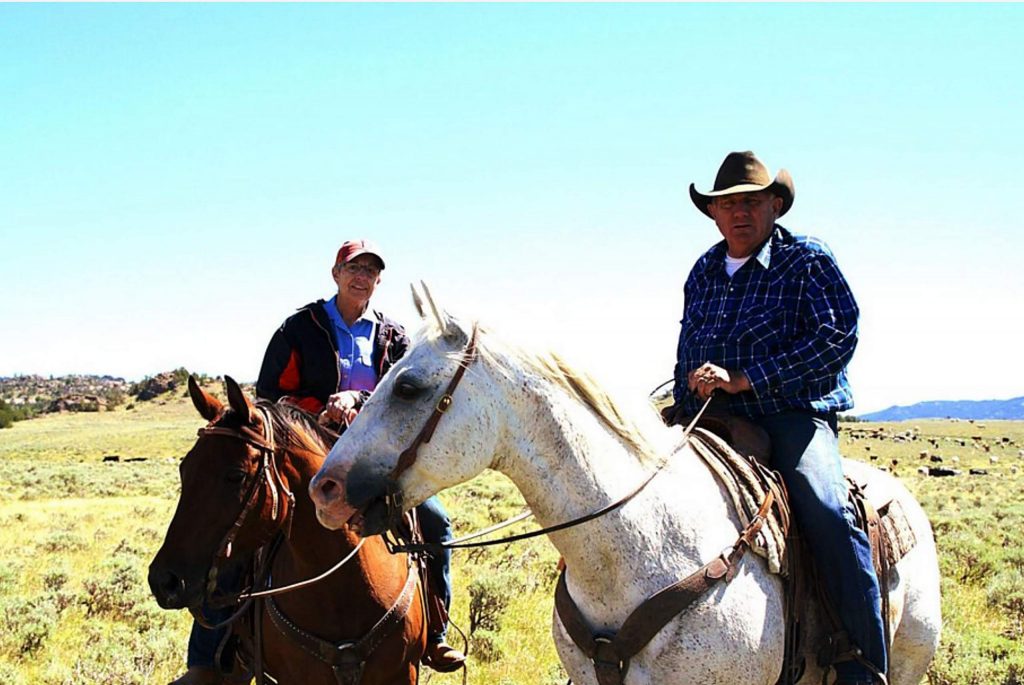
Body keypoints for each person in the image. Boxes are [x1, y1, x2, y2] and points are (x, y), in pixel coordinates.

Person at [170, 239, 465, 685]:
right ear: (336, 274)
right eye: (354, 268)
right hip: (305, 456)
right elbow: (269, 395)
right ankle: (208, 660)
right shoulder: (299, 329)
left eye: (370, 270)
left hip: (373, 459)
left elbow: (409, 402)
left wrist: (359, 400)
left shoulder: (394, 337)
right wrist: (318, 409)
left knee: (436, 522)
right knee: (243, 527)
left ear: (378, 280)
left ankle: (436, 631)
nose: (361, 276)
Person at [663, 152, 886, 685]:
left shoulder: (807, 260)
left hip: (792, 416)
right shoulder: (704, 271)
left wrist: (746, 378)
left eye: (751, 201)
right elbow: (686, 346)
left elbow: (836, 339)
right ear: (713, 214)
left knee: (826, 508)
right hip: (710, 417)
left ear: (775, 206)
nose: (739, 212)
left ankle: (861, 659)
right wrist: (683, 393)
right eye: (728, 204)